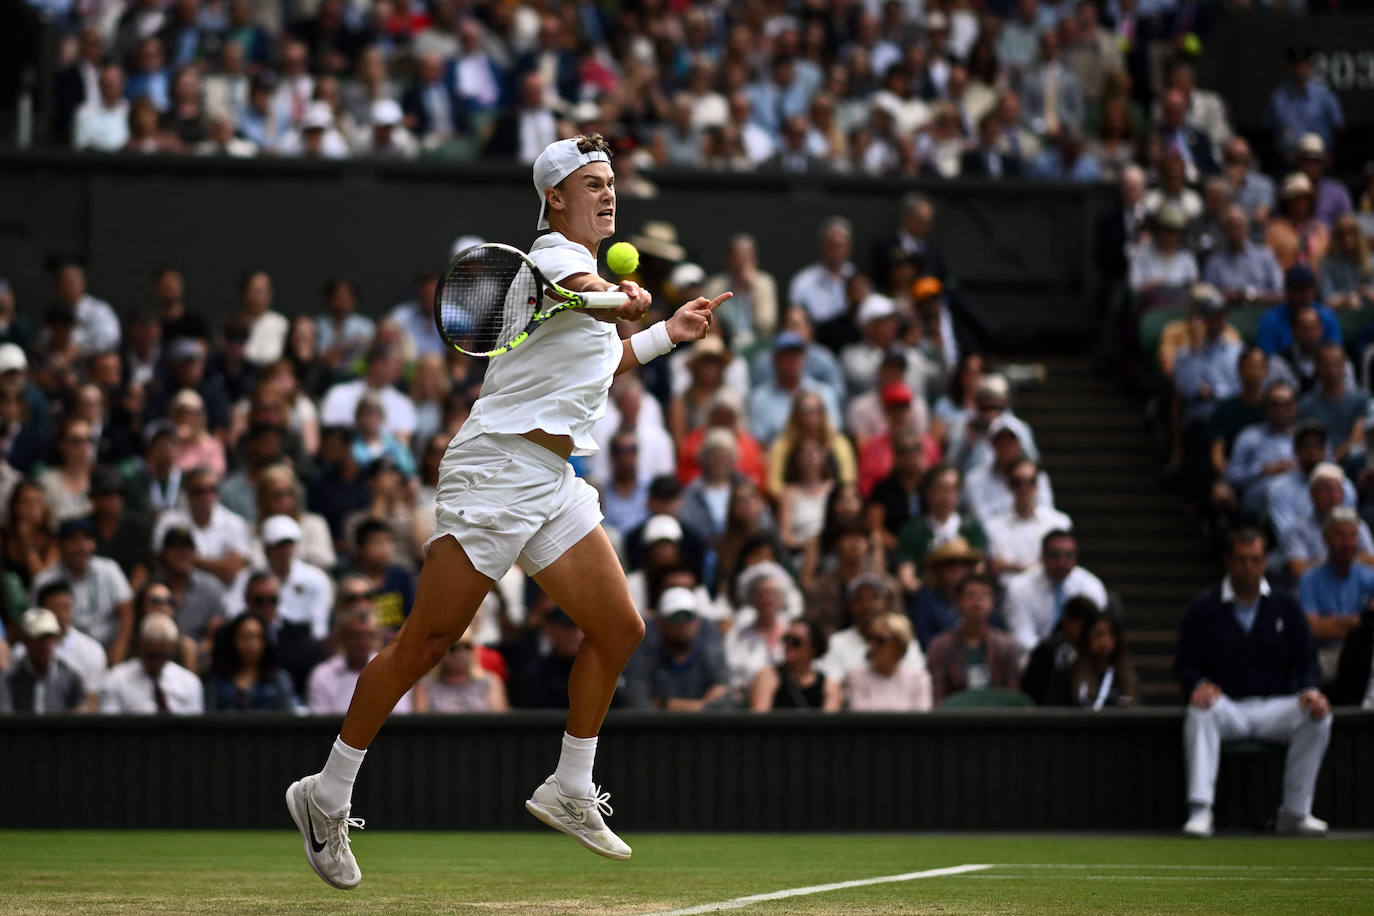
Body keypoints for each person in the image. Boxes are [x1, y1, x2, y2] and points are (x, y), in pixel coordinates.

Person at [286, 134, 727, 885]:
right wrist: (620, 298)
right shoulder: (554, 261)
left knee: (620, 627)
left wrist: (661, 335)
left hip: (552, 476)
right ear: (554, 198)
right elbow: (587, 293)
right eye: (593, 185)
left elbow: (597, 360)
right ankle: (326, 793)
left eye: (612, 184)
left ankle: (570, 786)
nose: (608, 195)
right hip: (494, 469)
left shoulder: (580, 282)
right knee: (426, 642)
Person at [1175, 528, 1331, 837]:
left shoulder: (1286, 604)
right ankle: (1201, 811)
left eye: (1255, 559)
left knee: (1319, 716)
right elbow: (1184, 664)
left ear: (1264, 563)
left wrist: (1312, 691)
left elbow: (1307, 659)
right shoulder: (1203, 608)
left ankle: (1296, 813)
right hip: (1227, 706)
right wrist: (1200, 683)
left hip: (1277, 706)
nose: (1248, 566)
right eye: (1242, 559)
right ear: (1228, 561)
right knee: (1200, 710)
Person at [31, 517, 134, 664]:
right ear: (60, 544)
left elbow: (127, 612)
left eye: (87, 539)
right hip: (60, 654)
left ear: (94, 544)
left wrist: (120, 646)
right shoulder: (44, 581)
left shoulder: (110, 570)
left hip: (107, 648)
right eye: (73, 539)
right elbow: (36, 622)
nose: (81, 546)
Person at [1298, 506, 1374, 682]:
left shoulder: (1369, 576)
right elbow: (1314, 629)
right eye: (1340, 535)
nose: (1347, 543)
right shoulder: (1309, 579)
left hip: (1364, 653)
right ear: (1326, 538)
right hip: (1324, 654)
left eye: (1352, 536)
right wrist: (1362, 622)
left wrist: (1333, 622)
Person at [1003, 530, 1108, 655]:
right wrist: (1053, 658)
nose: (1062, 562)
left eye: (1069, 555)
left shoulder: (1091, 586)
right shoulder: (1019, 588)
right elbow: (1023, 638)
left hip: (1081, 660)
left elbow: (1098, 633)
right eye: (1055, 555)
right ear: (1042, 556)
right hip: (1034, 661)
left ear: (1076, 558)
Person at [925, 574, 1021, 706]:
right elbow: (938, 698)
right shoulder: (940, 647)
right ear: (958, 601)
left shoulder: (1007, 646)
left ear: (992, 603)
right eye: (970, 595)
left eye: (984, 596)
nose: (977, 602)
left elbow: (1012, 698)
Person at [983, 458, 1073, 583]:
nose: (1024, 487)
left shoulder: (1059, 523)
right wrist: (1039, 567)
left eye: (1030, 481)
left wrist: (1011, 566)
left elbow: (1063, 565)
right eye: (1018, 482)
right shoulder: (992, 527)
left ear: (1037, 485)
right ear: (1009, 486)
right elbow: (995, 567)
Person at [99, 613, 205, 715]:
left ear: (172, 650)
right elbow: (109, 728)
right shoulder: (116, 680)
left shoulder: (190, 683)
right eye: (151, 655)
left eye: (163, 656)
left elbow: (195, 728)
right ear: (140, 646)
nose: (156, 662)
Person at [205, 612, 298, 711]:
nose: (252, 644)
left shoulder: (279, 680)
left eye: (258, 637)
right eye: (245, 637)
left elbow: (288, 718)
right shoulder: (217, 680)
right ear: (233, 640)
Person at [5, 607, 90, 714]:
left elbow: (79, 721)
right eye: (39, 638)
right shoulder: (8, 679)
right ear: (25, 640)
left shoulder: (72, 678)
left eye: (50, 637)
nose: (45, 645)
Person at [844, 611, 932, 711]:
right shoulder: (855, 676)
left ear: (899, 645)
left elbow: (922, 721)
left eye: (880, 640)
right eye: (870, 638)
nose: (871, 645)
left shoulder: (918, 678)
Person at [749, 619, 841, 712]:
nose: (788, 645)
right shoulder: (769, 676)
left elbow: (829, 723)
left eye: (795, 642)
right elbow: (760, 719)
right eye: (786, 639)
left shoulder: (828, 686)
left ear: (813, 649)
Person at [1053, 609, 1138, 708]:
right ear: (1086, 638)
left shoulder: (1126, 677)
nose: (1105, 642)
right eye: (1099, 635)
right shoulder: (1068, 675)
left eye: (1111, 634)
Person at [1021, 595, 1097, 705]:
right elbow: (1031, 691)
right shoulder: (1047, 651)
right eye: (1082, 624)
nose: (1086, 631)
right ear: (1067, 621)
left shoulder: (1094, 654)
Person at [424, 629, 509, 713]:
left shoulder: (491, 682)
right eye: (453, 648)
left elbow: (500, 722)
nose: (461, 654)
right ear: (440, 652)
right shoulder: (426, 685)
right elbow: (420, 723)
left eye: (467, 647)